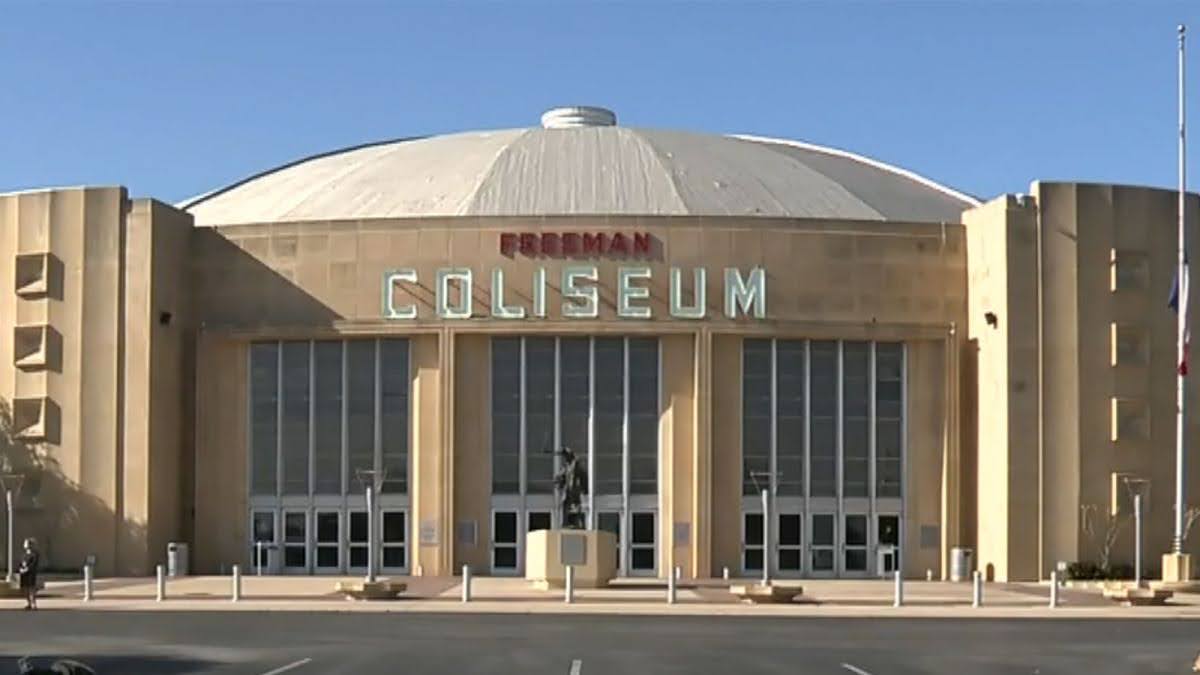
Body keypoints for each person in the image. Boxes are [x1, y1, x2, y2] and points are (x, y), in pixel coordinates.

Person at [17, 538, 39, 610]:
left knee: (31, 589)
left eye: (26, 543)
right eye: (25, 543)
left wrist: (26, 569)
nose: (25, 544)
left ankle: (34, 604)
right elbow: (20, 563)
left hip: (31, 575)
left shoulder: (34, 554)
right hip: (24, 575)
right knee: (25, 590)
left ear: (30, 545)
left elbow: (33, 564)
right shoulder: (23, 555)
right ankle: (29, 603)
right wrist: (20, 569)